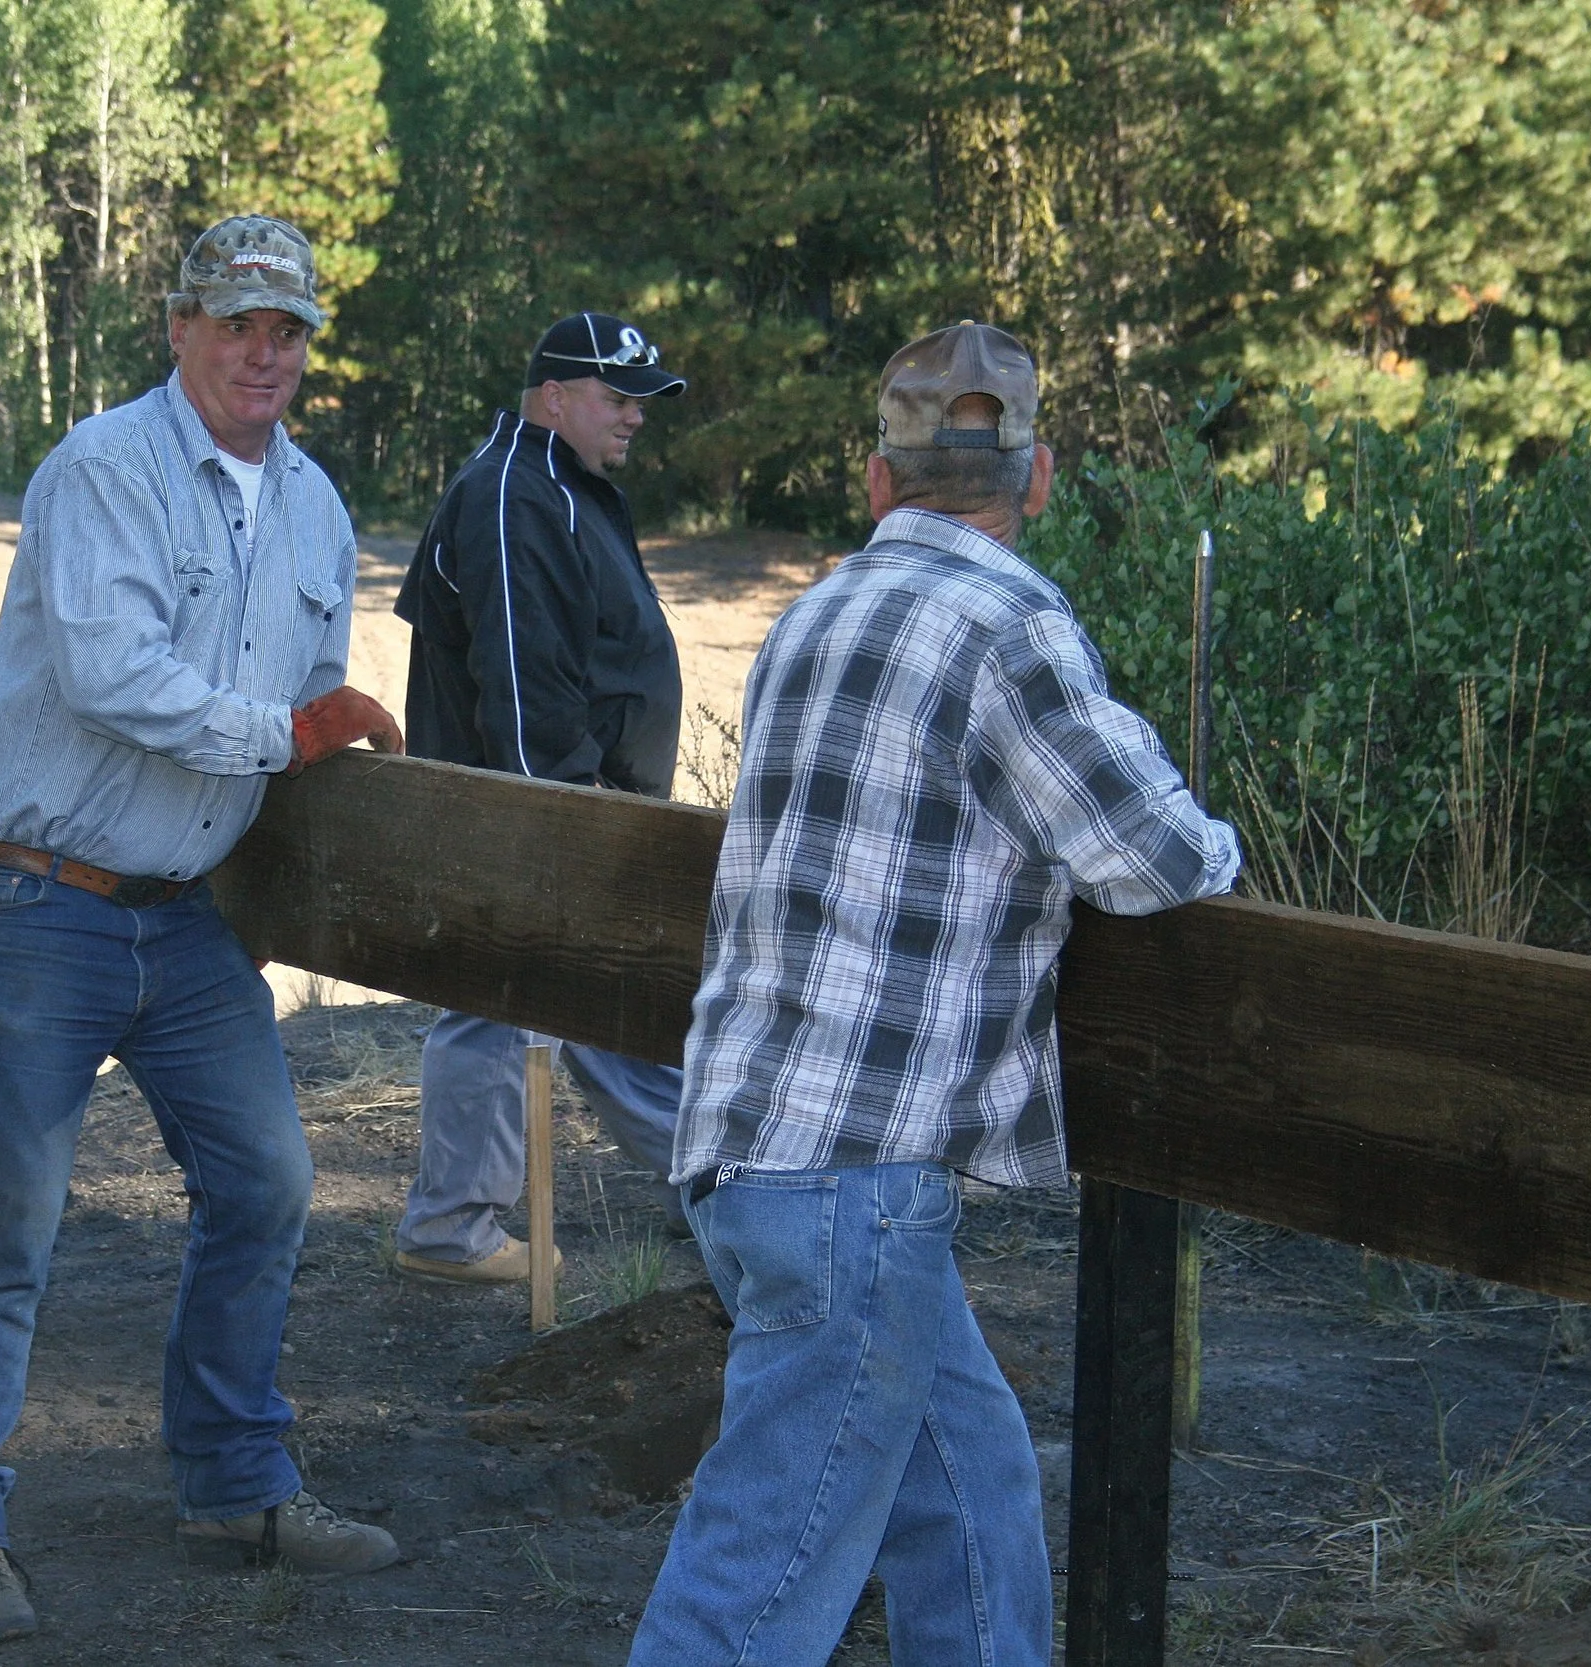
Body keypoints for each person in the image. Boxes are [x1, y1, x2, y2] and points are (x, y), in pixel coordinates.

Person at [628, 322, 1242, 1666]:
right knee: (754, 1584)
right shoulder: (1009, 629)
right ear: (1040, 477)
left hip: (747, 1147)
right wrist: (1222, 838)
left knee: (972, 1488)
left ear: (877, 479)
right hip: (856, 1183)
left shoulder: (813, 612)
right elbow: (1155, 856)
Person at [0, 215, 407, 1645]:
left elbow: (306, 722)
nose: (264, 352)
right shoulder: (103, 470)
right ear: (179, 327)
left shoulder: (315, 509)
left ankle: (235, 1485)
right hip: (32, 899)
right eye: (237, 323)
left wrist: (283, 847)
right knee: (12, 1213)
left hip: (186, 917)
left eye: (287, 329)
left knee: (269, 1181)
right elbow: (116, 675)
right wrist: (287, 735)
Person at [388, 311, 692, 1283]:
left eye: (642, 399)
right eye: (617, 396)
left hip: (573, 812)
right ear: (555, 398)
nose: (635, 415)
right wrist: (562, 818)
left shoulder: (564, 488)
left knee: (595, 1008)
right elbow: (521, 685)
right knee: (510, 1001)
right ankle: (454, 1232)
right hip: (527, 820)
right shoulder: (513, 496)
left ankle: (727, 1188)